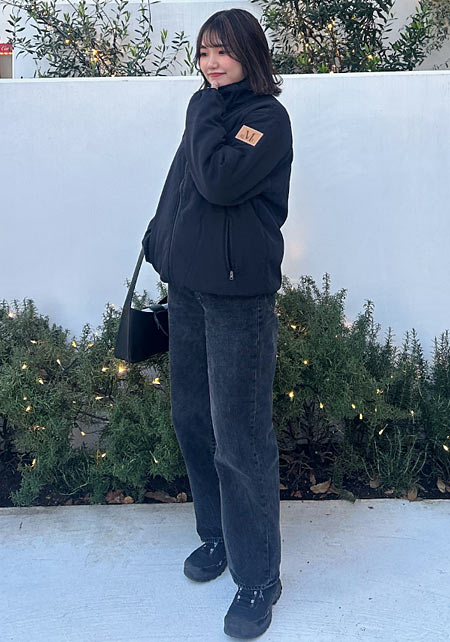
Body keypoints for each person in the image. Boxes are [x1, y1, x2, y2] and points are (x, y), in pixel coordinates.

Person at [142, 8, 293, 639]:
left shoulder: (265, 119)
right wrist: (161, 244)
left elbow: (220, 181)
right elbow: (180, 185)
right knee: (192, 420)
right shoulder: (205, 110)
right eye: (204, 52)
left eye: (223, 51)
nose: (210, 63)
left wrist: (203, 112)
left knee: (241, 439)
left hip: (239, 300)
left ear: (249, 54)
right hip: (190, 291)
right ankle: (217, 536)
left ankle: (259, 578)